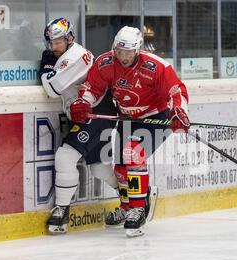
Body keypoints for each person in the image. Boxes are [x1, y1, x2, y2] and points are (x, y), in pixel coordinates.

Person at [69, 26, 190, 237]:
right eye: (119, 51)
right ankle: (127, 207)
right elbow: (92, 87)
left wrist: (178, 112)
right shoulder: (106, 63)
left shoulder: (155, 66)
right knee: (121, 169)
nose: (123, 57)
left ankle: (138, 209)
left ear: (137, 50)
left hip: (155, 117)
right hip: (128, 119)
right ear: (114, 48)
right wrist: (82, 102)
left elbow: (176, 90)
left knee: (133, 153)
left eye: (128, 52)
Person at [39, 18, 119, 234]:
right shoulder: (65, 53)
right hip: (92, 113)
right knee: (99, 168)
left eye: (58, 41)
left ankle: (62, 212)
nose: (53, 47)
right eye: (51, 42)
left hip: (95, 112)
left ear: (70, 38)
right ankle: (134, 199)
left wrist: (46, 67)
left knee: (65, 156)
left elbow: (52, 88)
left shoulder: (76, 56)